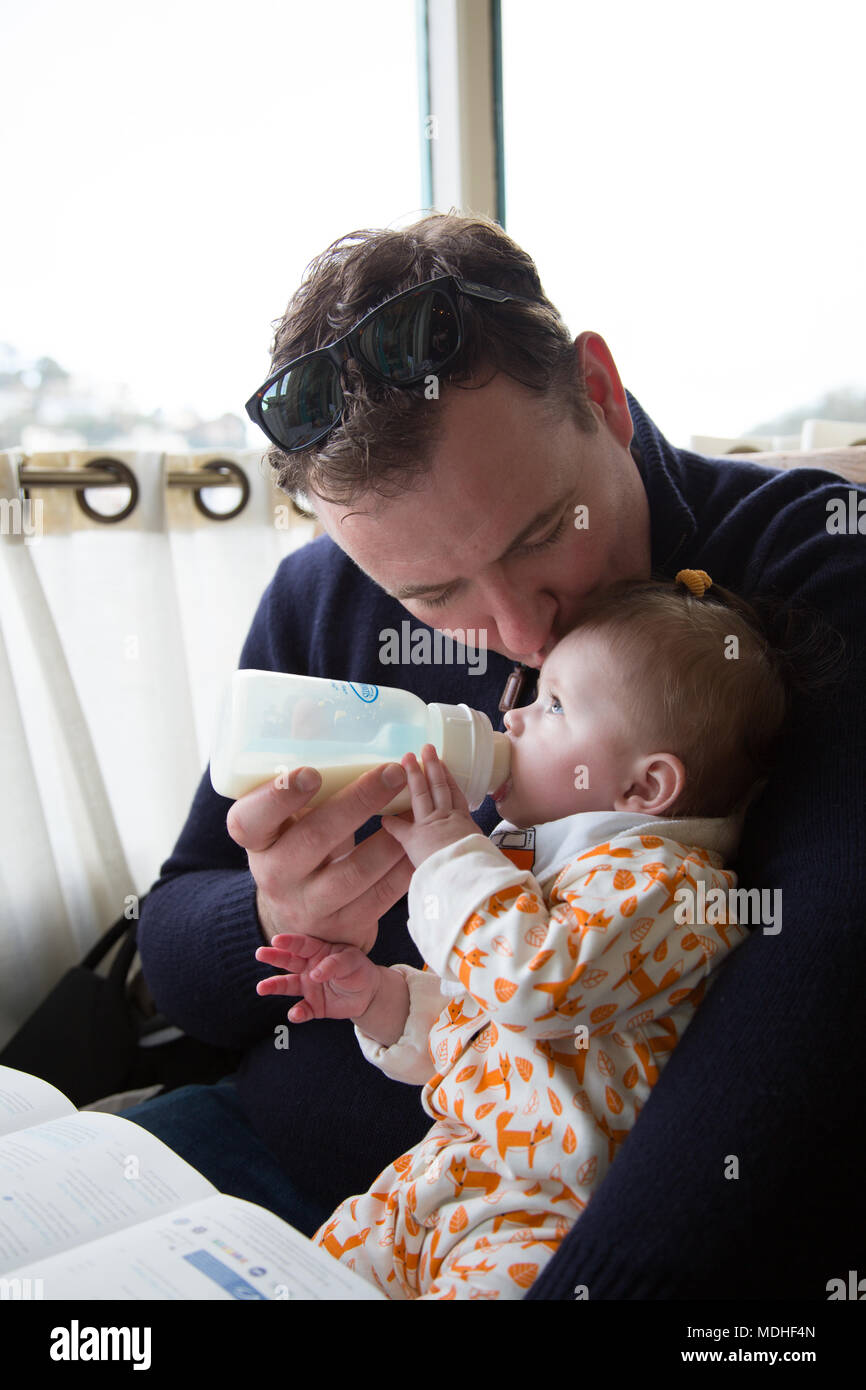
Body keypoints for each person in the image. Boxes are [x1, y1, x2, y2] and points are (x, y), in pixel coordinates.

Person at [123, 212, 866, 1299]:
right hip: (274, 1163)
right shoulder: (319, 605)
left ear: (599, 394)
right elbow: (173, 944)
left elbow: (816, 992)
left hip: (557, 1225)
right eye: (431, 595)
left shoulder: (814, 566)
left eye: (537, 537)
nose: (519, 633)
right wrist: (276, 917)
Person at [251, 571, 789, 1299]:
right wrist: (377, 997)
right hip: (437, 1177)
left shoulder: (669, 885)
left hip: (546, 1208)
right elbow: (485, 1025)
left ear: (645, 788)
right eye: (533, 694)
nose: (514, 719)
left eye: (556, 705)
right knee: (304, 1280)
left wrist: (447, 852)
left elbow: (537, 985)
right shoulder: (546, 875)